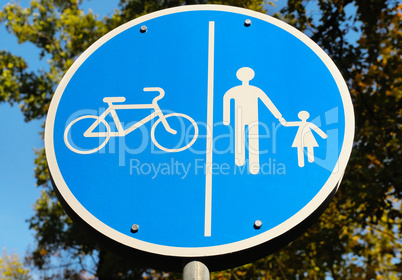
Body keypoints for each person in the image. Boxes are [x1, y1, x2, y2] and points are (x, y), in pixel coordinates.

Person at [223, 67, 283, 174]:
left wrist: (226, 119)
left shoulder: (241, 90)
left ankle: (248, 163)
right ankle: (247, 162)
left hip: (248, 116)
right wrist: (226, 119)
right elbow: (226, 99)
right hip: (244, 116)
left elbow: (226, 99)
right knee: (245, 138)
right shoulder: (251, 90)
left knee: (244, 138)